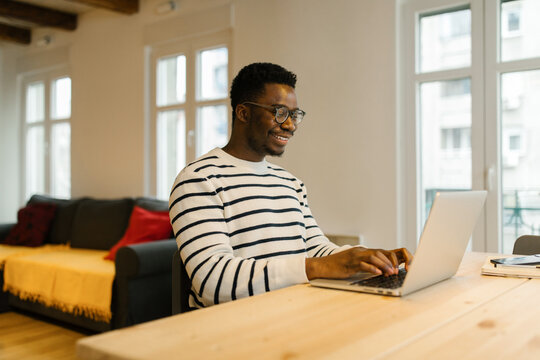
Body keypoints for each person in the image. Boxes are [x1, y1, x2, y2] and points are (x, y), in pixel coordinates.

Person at [169, 62, 412, 308]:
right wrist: (318, 267)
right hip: (235, 331)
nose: (290, 125)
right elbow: (214, 282)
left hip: (295, 312)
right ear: (243, 113)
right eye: (279, 112)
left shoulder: (290, 183)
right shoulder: (198, 180)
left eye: (294, 115)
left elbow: (316, 249)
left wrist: (369, 258)